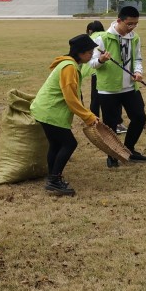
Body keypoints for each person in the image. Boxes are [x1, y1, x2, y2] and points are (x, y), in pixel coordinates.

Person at [30, 34, 99, 196]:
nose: (91, 55)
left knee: (56, 144)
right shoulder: (69, 67)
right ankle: (54, 180)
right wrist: (88, 116)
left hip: (45, 110)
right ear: (80, 53)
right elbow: (70, 98)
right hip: (50, 111)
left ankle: (52, 176)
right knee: (69, 144)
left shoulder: (70, 64)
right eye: (89, 52)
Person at [89, 5, 146, 168]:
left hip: (130, 87)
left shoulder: (134, 38)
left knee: (139, 117)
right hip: (108, 89)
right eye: (129, 24)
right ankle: (113, 155)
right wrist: (101, 60)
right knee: (111, 124)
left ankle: (129, 150)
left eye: (135, 24)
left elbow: (138, 59)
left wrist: (138, 71)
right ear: (119, 20)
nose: (132, 27)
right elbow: (91, 64)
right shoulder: (102, 39)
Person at [84, 21, 127, 134]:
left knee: (96, 98)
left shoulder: (92, 37)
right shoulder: (107, 36)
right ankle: (117, 123)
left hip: (96, 72)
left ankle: (94, 121)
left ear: (90, 31)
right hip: (108, 73)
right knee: (115, 99)